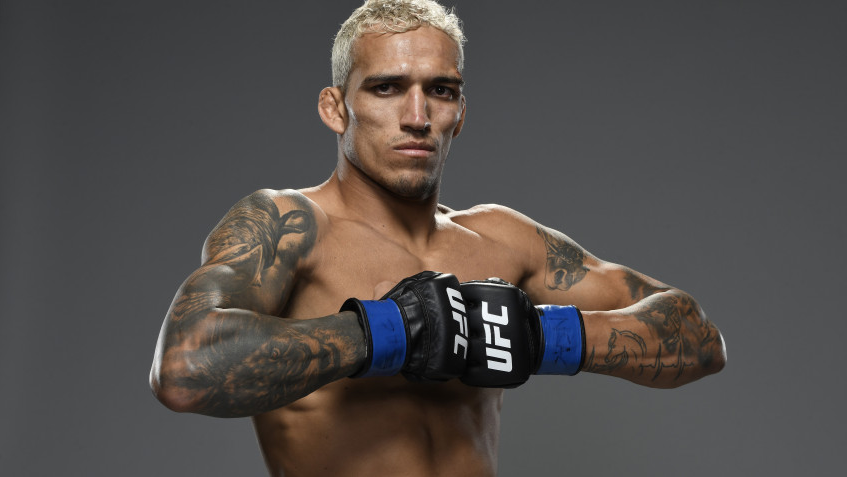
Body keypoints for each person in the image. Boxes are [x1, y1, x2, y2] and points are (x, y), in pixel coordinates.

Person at [149, 0, 726, 475]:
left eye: (441, 90)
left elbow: (698, 338)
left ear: (461, 112)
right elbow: (184, 368)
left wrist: (542, 336)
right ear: (336, 108)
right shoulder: (289, 227)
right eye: (386, 88)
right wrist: (388, 331)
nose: (417, 116)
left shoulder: (500, 239)